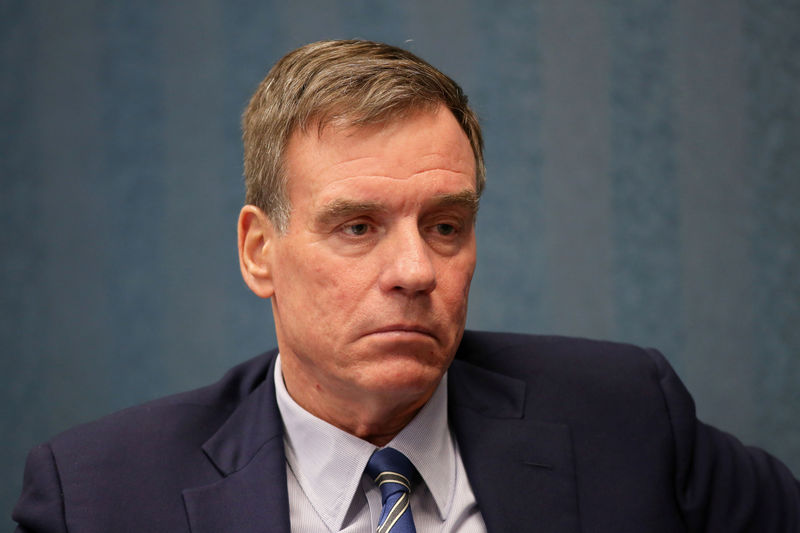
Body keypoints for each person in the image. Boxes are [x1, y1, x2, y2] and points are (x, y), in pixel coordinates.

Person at [12, 39, 800, 533]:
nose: (416, 270)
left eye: (445, 225)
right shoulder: (100, 496)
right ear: (259, 251)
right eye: (357, 226)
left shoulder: (627, 415)